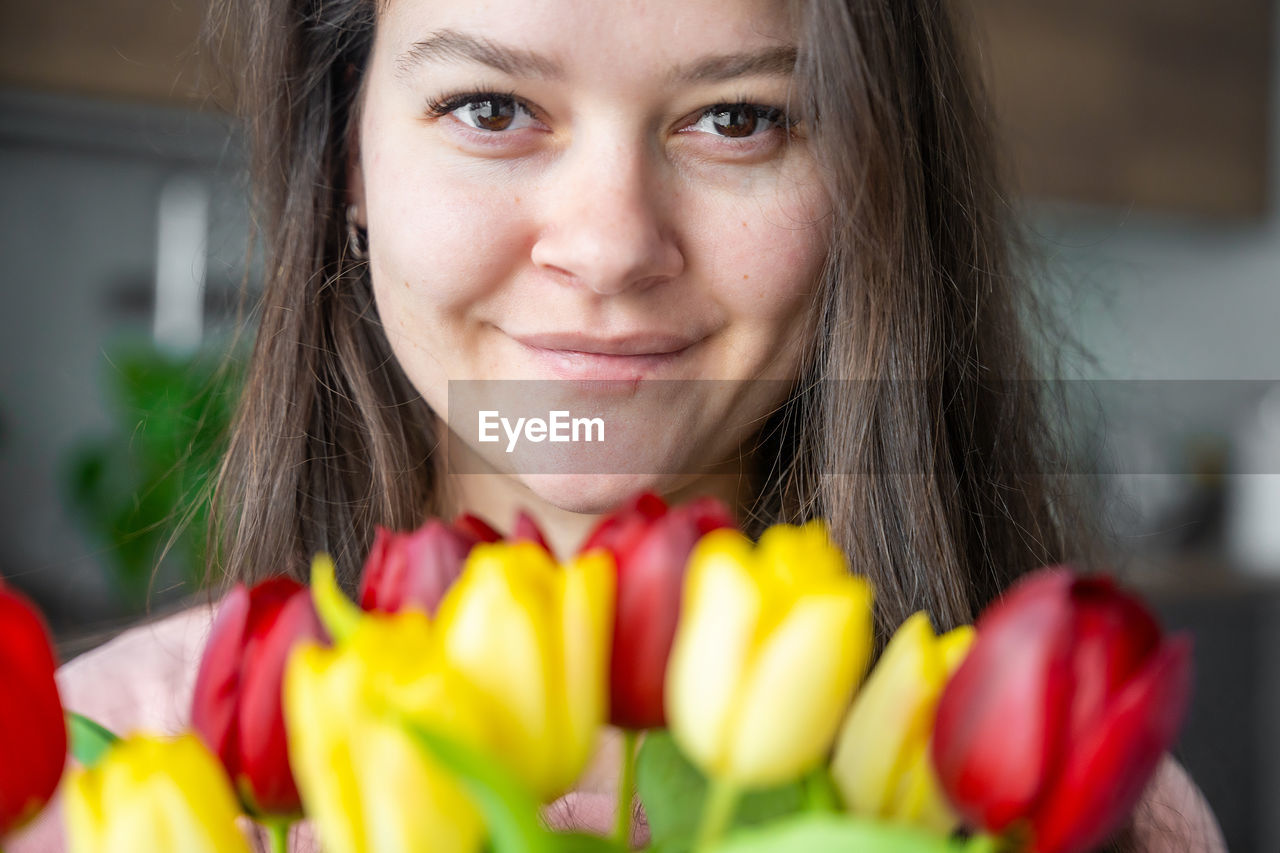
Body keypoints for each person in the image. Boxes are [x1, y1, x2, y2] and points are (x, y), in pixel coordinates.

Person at [10, 0, 1226, 850]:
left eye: (738, 119)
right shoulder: (94, 779)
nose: (608, 247)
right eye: (489, 107)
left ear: (872, 179)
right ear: (348, 163)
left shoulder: (1094, 807)